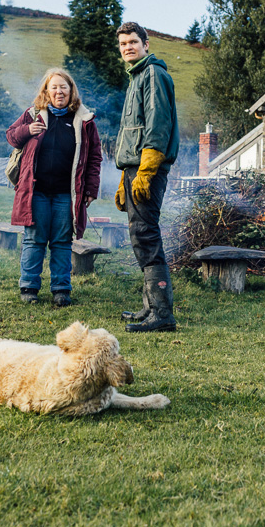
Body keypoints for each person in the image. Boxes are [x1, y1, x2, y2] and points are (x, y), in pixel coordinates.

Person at [6, 68, 101, 306]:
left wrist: (90, 189)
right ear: (46, 91)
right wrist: (28, 130)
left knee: (61, 241)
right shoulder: (32, 114)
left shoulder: (84, 121)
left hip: (66, 194)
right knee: (34, 240)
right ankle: (29, 288)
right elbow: (11, 136)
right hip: (35, 191)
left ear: (71, 91)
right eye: (54, 87)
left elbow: (94, 158)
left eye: (63, 87)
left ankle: (61, 290)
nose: (59, 91)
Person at [114, 22, 180, 332]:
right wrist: (125, 175)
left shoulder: (153, 74)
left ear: (146, 44)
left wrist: (146, 169)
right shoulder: (137, 76)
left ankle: (162, 314)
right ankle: (149, 307)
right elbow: (133, 133)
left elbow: (158, 124)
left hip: (147, 169)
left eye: (133, 42)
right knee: (141, 233)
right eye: (123, 43)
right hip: (135, 169)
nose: (128, 47)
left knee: (146, 234)